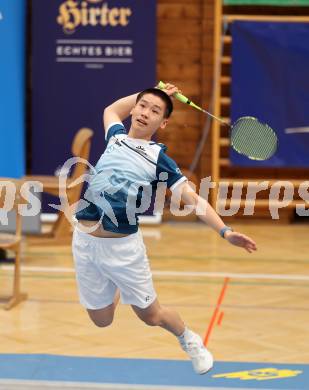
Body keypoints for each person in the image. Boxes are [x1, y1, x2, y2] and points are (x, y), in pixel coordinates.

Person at [72, 83, 257, 375]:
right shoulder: (115, 138)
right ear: (134, 109)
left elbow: (194, 200)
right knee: (102, 320)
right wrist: (154, 93)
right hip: (84, 241)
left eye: (155, 110)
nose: (145, 113)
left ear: (164, 122)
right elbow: (111, 110)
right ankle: (115, 282)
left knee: (151, 315)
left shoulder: (160, 160)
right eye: (142, 106)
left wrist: (226, 232)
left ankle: (189, 339)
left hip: (122, 249)